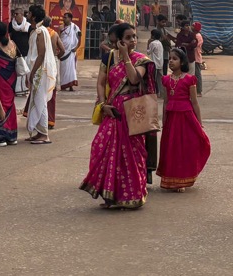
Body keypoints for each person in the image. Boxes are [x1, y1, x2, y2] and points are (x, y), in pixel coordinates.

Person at [80, 22, 155, 209]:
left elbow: (134, 79)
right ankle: (109, 194)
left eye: (134, 37)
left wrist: (125, 58)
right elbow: (100, 83)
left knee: (130, 153)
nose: (133, 41)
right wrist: (102, 103)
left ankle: (130, 196)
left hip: (131, 112)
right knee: (102, 148)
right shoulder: (108, 58)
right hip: (112, 110)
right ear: (119, 41)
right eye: (128, 38)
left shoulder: (141, 60)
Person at [157, 47, 210, 191]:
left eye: (175, 59)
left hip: (186, 117)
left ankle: (183, 179)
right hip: (172, 118)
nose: (171, 62)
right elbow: (166, 101)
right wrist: (164, 119)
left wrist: (199, 123)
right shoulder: (166, 80)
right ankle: (172, 178)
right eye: (170, 58)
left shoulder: (189, 79)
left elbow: (194, 102)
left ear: (182, 62)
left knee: (185, 147)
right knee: (171, 148)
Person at [23, 5, 58, 144]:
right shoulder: (37, 31)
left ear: (34, 16)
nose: (28, 14)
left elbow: (41, 54)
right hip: (37, 70)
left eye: (29, 13)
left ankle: (44, 134)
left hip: (40, 71)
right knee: (38, 100)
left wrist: (33, 72)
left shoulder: (40, 32)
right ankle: (39, 132)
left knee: (39, 101)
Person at [174, 16, 200, 95]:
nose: (188, 27)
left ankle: (191, 92)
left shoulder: (192, 35)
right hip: (182, 58)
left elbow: (195, 44)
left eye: (188, 25)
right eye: (186, 25)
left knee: (191, 75)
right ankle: (183, 91)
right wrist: (189, 44)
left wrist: (186, 44)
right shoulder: (179, 35)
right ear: (182, 27)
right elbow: (179, 45)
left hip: (191, 57)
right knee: (182, 75)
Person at [58, 11, 81, 91]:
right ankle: (64, 85)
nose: (64, 19)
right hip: (64, 51)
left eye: (65, 17)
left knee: (71, 69)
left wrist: (77, 47)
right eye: (63, 17)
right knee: (63, 69)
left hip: (71, 51)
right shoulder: (61, 27)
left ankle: (71, 86)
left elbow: (79, 37)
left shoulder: (75, 27)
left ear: (70, 19)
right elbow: (58, 39)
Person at [10, 9, 31, 94]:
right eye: (13, 14)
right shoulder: (11, 25)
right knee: (16, 70)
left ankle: (23, 89)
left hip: (25, 51)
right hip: (14, 51)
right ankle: (16, 89)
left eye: (16, 14)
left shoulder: (28, 26)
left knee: (24, 70)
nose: (15, 16)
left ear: (22, 15)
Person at [148, 28, 165, 98]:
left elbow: (148, 52)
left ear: (153, 36)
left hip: (154, 63)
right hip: (160, 63)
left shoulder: (152, 43)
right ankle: (162, 93)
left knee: (153, 79)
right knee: (160, 79)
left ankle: (155, 92)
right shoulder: (160, 43)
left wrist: (148, 43)